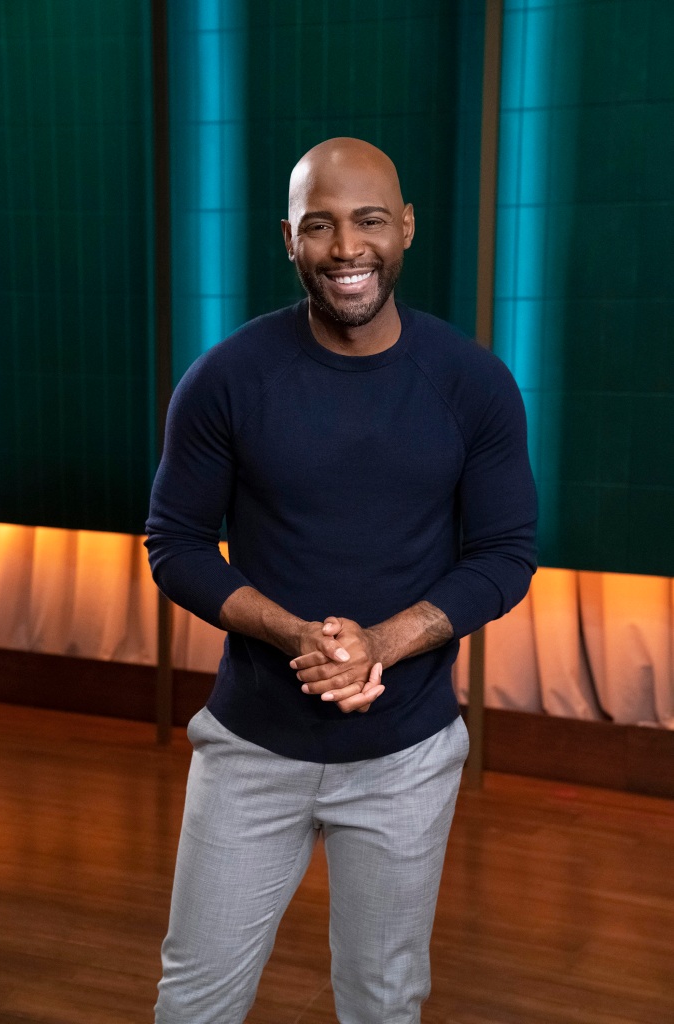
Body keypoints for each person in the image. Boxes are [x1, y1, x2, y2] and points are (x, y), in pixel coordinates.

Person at [145, 137, 537, 1024]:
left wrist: (381, 647)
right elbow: (173, 543)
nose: (344, 248)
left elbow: (505, 554)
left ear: (404, 228)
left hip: (406, 756)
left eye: (366, 221)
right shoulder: (226, 378)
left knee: (384, 1000)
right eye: (318, 226)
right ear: (288, 239)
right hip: (250, 747)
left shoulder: (471, 383)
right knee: (194, 1000)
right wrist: (300, 638)